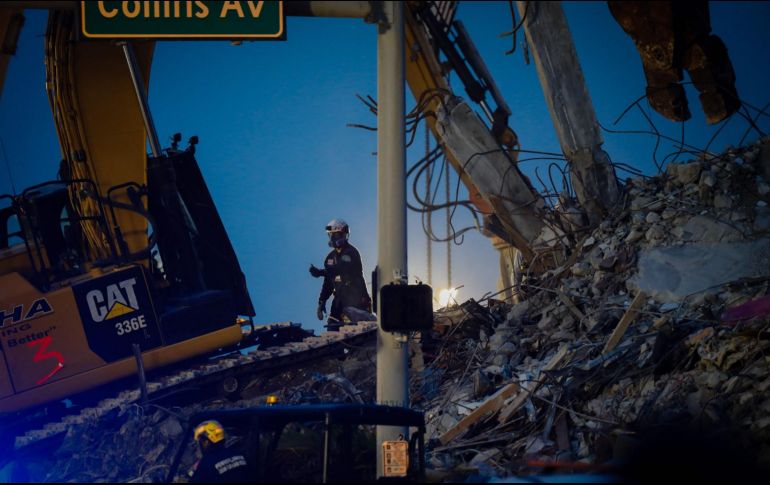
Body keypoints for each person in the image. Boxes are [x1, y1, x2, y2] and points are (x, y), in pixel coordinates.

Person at [309, 219, 373, 331]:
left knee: (356, 332)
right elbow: (329, 282)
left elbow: (342, 268)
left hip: (356, 301)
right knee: (332, 330)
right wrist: (322, 301)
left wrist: (321, 272)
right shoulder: (330, 258)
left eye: (338, 235)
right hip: (339, 302)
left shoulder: (351, 253)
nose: (335, 238)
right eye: (333, 235)